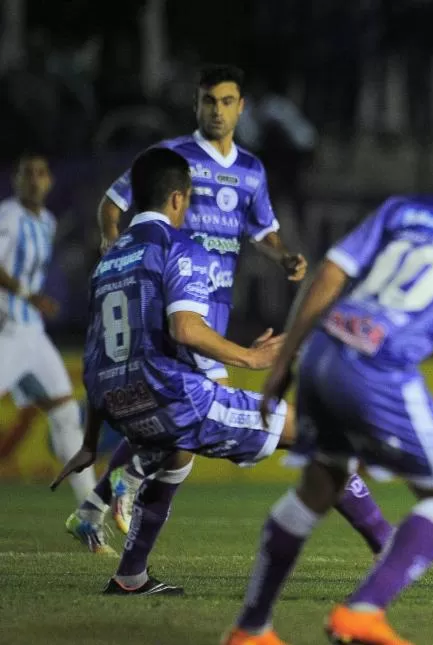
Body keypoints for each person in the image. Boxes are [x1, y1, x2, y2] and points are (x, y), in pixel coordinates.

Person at [223, 121, 433, 645]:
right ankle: (362, 612)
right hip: (379, 366)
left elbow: (330, 274)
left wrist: (285, 361)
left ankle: (251, 628)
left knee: (320, 484)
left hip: (326, 347)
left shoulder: (405, 209)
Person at [67, 64, 391, 558]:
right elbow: (112, 207)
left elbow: (262, 231)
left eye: (225, 101)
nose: (216, 111)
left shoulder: (251, 171)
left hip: (209, 315)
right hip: (177, 317)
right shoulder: (171, 159)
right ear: (196, 106)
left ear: (241, 107)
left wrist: (283, 255)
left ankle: (101, 510)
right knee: (190, 426)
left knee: (177, 440)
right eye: (207, 101)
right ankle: (116, 495)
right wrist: (120, 256)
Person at [52, 147, 292, 595]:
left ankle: (129, 571)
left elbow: (93, 359)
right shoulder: (181, 248)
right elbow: (186, 328)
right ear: (179, 200)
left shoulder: (107, 261)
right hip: (170, 399)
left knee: (178, 454)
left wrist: (90, 444)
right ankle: (383, 553)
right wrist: (250, 357)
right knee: (307, 428)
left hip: (118, 405)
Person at [0, 153, 96, 506]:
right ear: (17, 181)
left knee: (66, 414)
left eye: (41, 173)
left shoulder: (48, 222)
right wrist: (29, 295)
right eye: (27, 174)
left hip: (33, 334)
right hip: (8, 331)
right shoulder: (9, 216)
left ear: (49, 181)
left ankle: (89, 514)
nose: (34, 180)